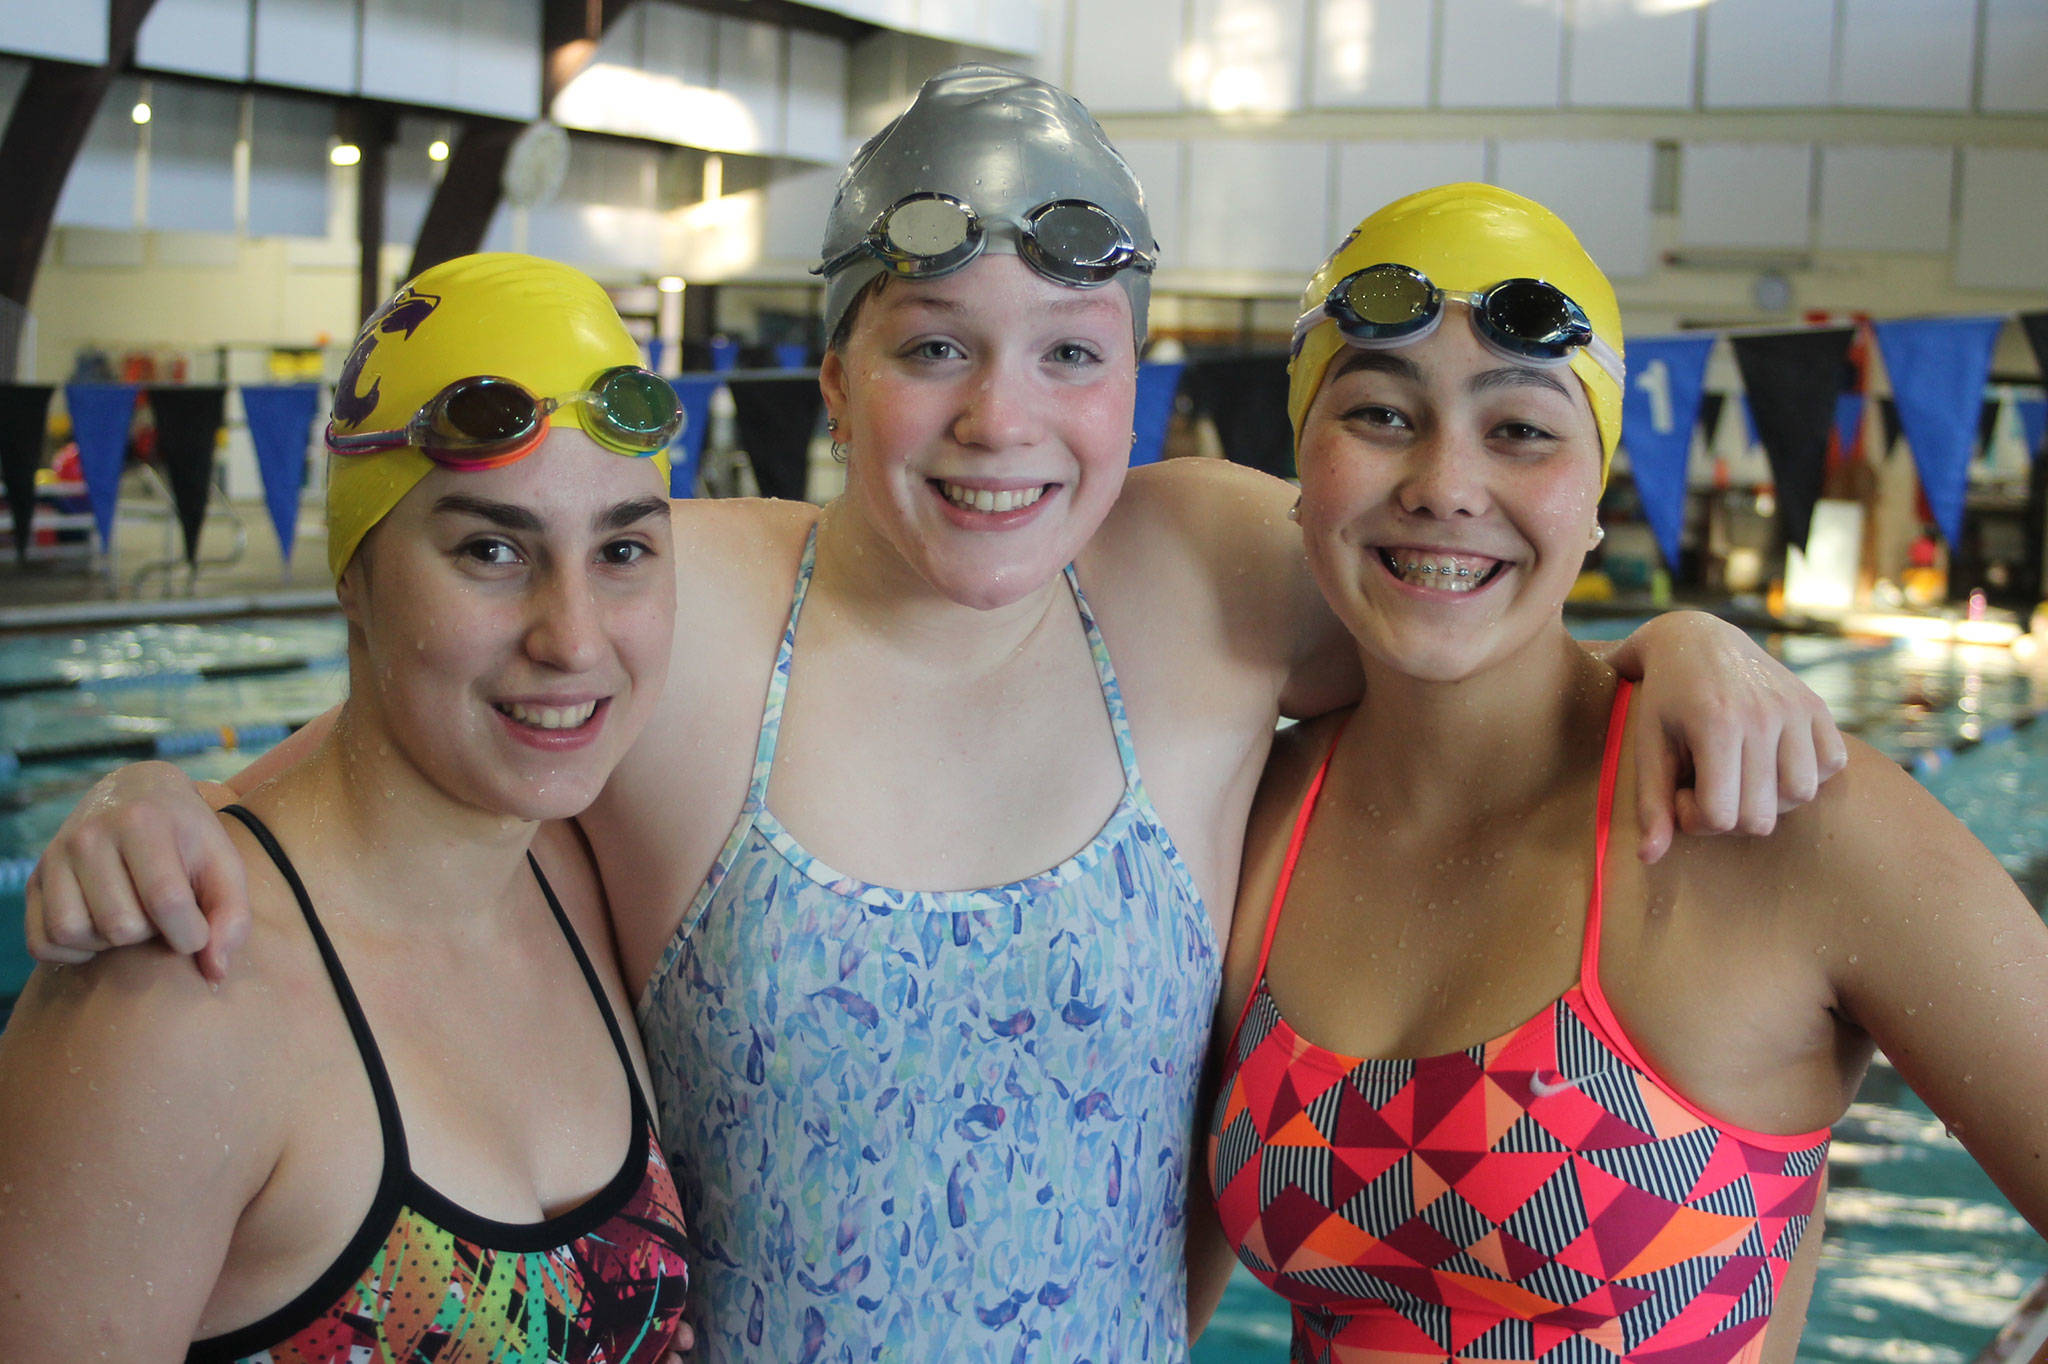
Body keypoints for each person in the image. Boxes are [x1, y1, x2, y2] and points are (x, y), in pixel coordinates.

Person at [23, 70, 1847, 1362]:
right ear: (834, 372)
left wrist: (1674, 647)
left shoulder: (1210, 569)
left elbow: (1469, 600)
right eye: (931, 345)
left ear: (1139, 381)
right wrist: (165, 806)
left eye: (1069, 350)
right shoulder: (678, 601)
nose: (1002, 420)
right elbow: (407, 753)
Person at [1201, 183, 2048, 1362]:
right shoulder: (1252, 813)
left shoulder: (1778, 812)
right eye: (1381, 414)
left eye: (1519, 429)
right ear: (1302, 459)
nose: (1444, 480)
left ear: (1593, 485)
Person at [0, 255, 695, 1361]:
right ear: (355, 572)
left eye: (621, 549)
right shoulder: (174, 983)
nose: (572, 637)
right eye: (490, 548)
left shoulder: (581, 870)